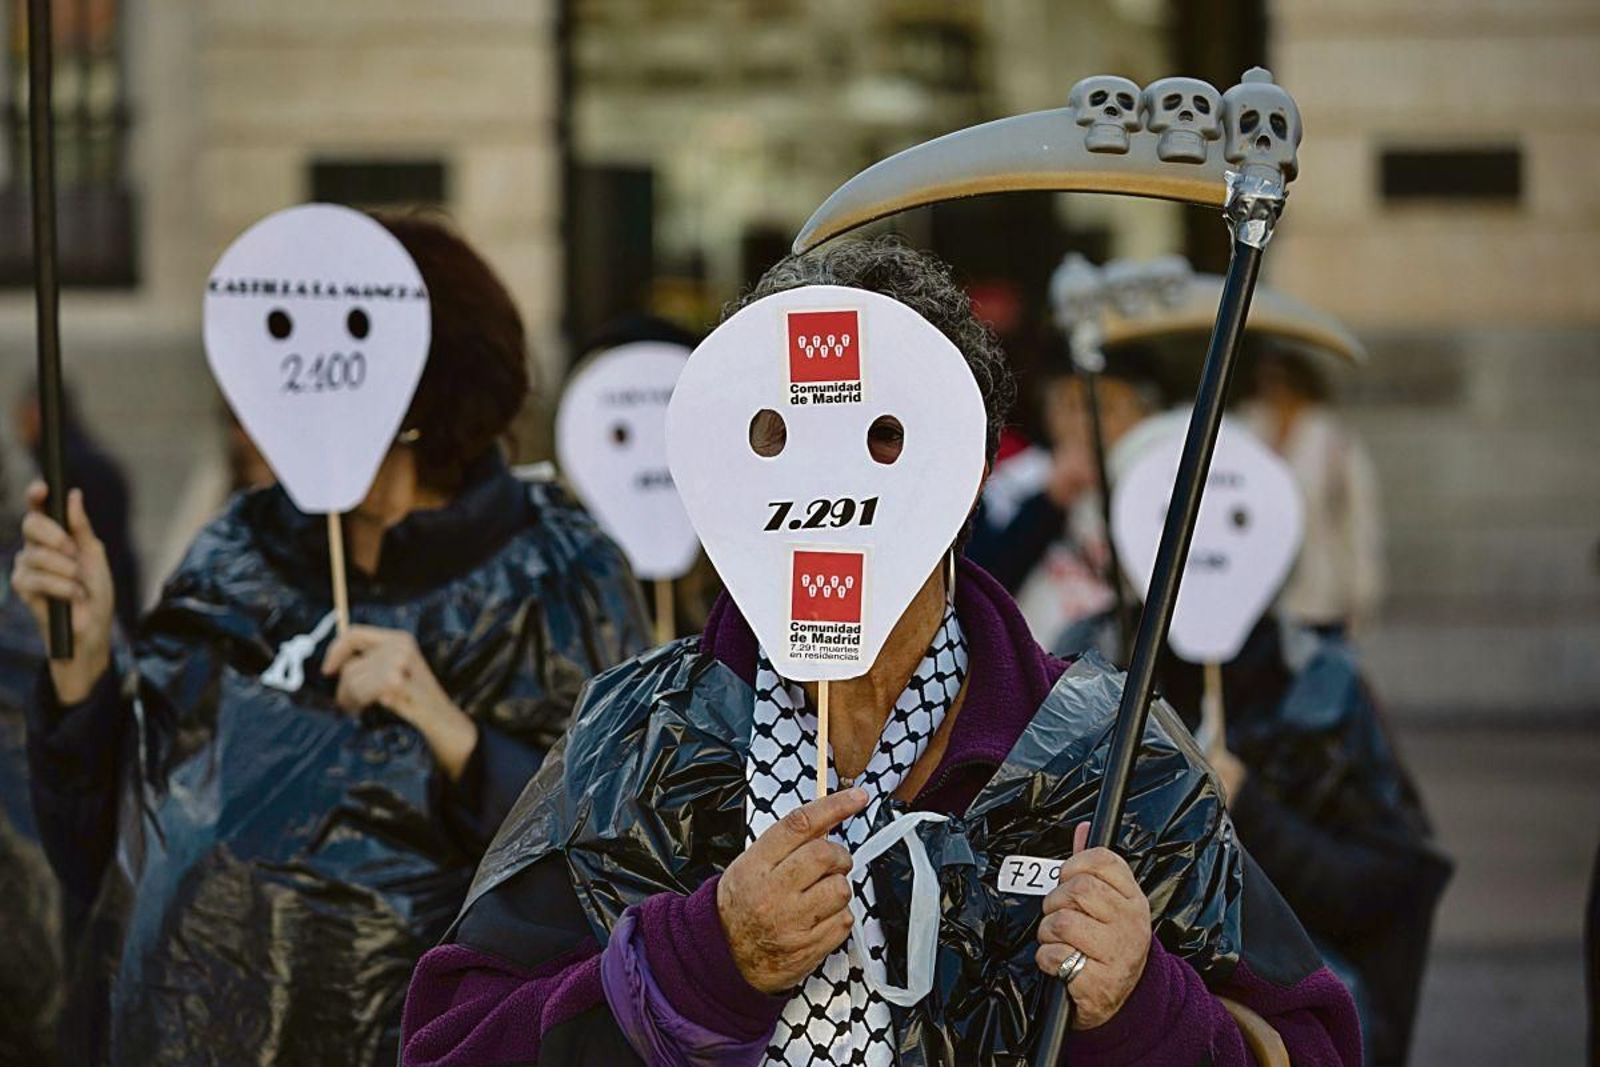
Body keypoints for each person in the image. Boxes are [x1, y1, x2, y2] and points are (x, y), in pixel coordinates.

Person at [398, 238, 1360, 1066]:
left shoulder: (1107, 758)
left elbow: (1316, 1041)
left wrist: (1146, 1007)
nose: (830, 479)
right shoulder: (642, 735)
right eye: (778, 436)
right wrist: (699, 962)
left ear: (972, 468)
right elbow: (447, 1042)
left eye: (884, 437)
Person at [10, 213, 651, 1065]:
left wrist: (453, 736)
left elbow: (624, 868)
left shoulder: (556, 575)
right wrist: (85, 668)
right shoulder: (238, 554)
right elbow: (108, 839)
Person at [965, 346, 1165, 647]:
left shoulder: (1159, 485)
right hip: (1035, 667)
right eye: (1070, 405)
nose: (1085, 421)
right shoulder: (1013, 482)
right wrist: (1050, 501)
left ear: (1144, 414)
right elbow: (977, 584)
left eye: (1106, 407)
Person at [1241, 346, 1384, 635]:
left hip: (1318, 585)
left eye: (1281, 380)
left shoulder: (1329, 436)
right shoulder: (1249, 426)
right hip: (1256, 584)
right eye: (1266, 380)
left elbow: (1359, 514)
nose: (1275, 389)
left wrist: (1362, 587)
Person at [14, 382, 142, 632]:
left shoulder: (66, 467)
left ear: (39, 414)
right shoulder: (92, 458)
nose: (20, 428)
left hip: (91, 593)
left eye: (24, 417)